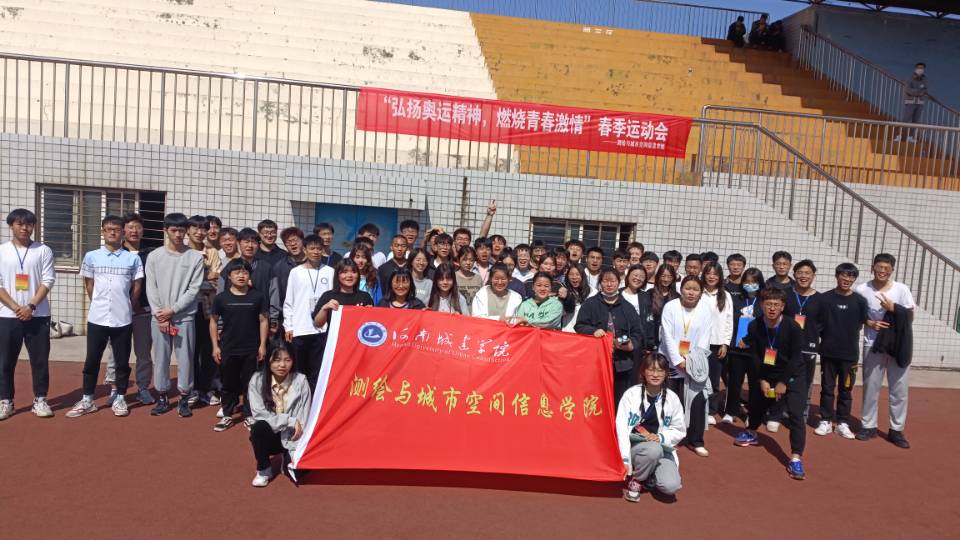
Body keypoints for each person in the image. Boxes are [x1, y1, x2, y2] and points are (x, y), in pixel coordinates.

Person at [65, 216, 144, 418]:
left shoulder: (133, 259)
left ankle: (120, 397)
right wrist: (98, 303)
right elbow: (89, 284)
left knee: (122, 361)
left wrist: (127, 305)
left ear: (123, 233)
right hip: (97, 318)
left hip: (122, 319)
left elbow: (136, 286)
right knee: (92, 360)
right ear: (102, 231)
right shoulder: (91, 256)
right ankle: (88, 399)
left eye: (116, 229)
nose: (112, 232)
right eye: (108, 229)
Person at [734, 287, 807, 481]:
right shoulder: (755, 326)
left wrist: (783, 382)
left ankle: (795, 459)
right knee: (757, 402)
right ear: (762, 305)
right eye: (768, 304)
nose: (772, 308)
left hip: (793, 375)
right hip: (768, 371)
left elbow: (795, 358)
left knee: (796, 414)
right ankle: (751, 432)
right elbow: (756, 356)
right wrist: (763, 380)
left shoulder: (793, 327)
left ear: (782, 307)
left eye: (776, 304)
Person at [145, 213, 205, 417]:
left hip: (184, 317)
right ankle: (162, 396)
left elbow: (194, 289)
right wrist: (160, 314)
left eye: (181, 230)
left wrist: (173, 310)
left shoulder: (195, 257)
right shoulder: (154, 256)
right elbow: (151, 287)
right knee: (161, 358)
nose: (178, 234)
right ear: (165, 230)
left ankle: (184, 397)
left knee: (186, 359)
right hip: (159, 318)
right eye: (174, 230)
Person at [0, 209, 56, 420]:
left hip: (38, 315)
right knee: (5, 361)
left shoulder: (43, 250)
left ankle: (40, 399)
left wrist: (30, 306)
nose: (25, 228)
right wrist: (17, 307)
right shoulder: (2, 251)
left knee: (40, 361)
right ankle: (6, 401)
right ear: (11, 226)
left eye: (29, 224)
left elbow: (48, 280)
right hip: (7, 315)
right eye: (20, 224)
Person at [855, 253, 915, 449]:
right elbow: (856, 315)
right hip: (872, 343)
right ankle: (868, 426)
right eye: (879, 267)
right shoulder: (862, 289)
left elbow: (910, 316)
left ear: (892, 270)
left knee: (899, 389)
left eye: (886, 269)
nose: (882, 271)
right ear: (873, 267)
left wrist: (893, 308)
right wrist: (869, 322)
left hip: (898, 344)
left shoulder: (901, 289)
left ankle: (896, 429)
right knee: (871, 386)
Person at [617, 352, 685, 502]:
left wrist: (661, 437)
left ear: (666, 373)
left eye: (660, 370)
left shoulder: (672, 398)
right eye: (651, 370)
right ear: (643, 372)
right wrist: (625, 460)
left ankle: (649, 474)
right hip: (636, 447)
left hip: (661, 448)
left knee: (671, 486)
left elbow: (679, 430)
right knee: (653, 450)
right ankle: (637, 480)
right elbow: (620, 428)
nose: (655, 374)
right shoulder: (631, 395)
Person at [210, 259, 268, 432]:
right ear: (229, 276)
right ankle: (227, 415)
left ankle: (249, 415)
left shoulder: (258, 296)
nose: (241, 276)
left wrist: (262, 345)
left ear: (249, 275)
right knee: (228, 383)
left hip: (251, 348)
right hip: (228, 347)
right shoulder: (221, 298)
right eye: (237, 272)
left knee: (250, 383)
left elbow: (264, 321)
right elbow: (213, 322)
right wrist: (215, 346)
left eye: (245, 272)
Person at [659, 275, 714, 457]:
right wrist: (677, 360)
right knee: (670, 401)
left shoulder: (705, 309)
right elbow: (667, 336)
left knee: (698, 401)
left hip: (694, 363)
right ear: (680, 289)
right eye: (687, 288)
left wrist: (691, 361)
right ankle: (668, 437)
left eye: (695, 289)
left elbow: (705, 338)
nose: (691, 292)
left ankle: (696, 440)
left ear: (701, 293)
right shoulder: (671, 307)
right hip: (670, 361)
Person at [105, 212, 155, 405]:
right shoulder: (115, 253)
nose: (134, 231)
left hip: (144, 313)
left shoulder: (151, 254)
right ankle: (115, 388)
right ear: (123, 230)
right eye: (130, 227)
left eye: (138, 227)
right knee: (116, 353)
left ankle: (143, 388)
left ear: (143, 230)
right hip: (119, 313)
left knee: (143, 353)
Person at [814, 263, 868, 440]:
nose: (847, 279)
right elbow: (818, 325)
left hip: (849, 355)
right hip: (828, 353)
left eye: (851, 276)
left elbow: (862, 323)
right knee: (827, 388)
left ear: (854, 279)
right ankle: (825, 420)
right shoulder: (824, 299)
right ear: (837, 276)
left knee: (846, 390)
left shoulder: (859, 301)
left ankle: (843, 422)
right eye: (844, 275)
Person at [575, 268, 645, 403]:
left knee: (620, 398)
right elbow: (580, 326)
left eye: (613, 281)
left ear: (619, 282)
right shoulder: (590, 304)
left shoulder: (627, 307)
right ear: (600, 283)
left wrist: (631, 344)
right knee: (596, 399)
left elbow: (637, 332)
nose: (609, 284)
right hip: (596, 362)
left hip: (622, 363)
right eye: (605, 281)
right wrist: (593, 331)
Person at [247, 345, 312, 487]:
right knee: (258, 427)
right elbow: (259, 414)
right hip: (271, 434)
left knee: (301, 473)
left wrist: (296, 450)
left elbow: (305, 415)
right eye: (277, 360)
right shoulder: (257, 380)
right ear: (268, 361)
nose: (282, 365)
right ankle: (264, 469)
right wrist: (289, 420)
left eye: (287, 360)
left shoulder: (301, 381)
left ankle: (287, 455)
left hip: (294, 435)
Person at [283, 234, 334, 389]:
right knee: (299, 370)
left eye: (319, 249)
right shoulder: (295, 272)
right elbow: (289, 301)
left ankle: (314, 401)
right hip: (300, 328)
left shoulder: (330, 271)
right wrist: (289, 326)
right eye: (312, 248)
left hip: (322, 329)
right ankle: (299, 400)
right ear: (304, 250)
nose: (316, 252)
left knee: (317, 371)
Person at [187, 215, 222, 407]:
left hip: (208, 309)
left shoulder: (212, 252)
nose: (200, 232)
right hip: (187, 309)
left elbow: (216, 281)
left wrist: (198, 281)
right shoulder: (183, 252)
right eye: (196, 228)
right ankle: (191, 388)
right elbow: (183, 283)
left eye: (203, 229)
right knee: (190, 351)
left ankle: (206, 389)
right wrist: (205, 277)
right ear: (188, 230)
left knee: (208, 350)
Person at [782, 259, 821, 425]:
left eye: (807, 273)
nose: (803, 276)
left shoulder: (820, 299)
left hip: (808, 347)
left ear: (813, 276)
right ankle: (781, 411)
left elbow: (823, 323)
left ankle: (801, 414)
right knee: (783, 378)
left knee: (806, 382)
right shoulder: (786, 295)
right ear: (794, 274)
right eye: (800, 273)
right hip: (786, 346)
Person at [723, 267, 764, 425]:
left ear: (760, 283)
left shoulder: (763, 301)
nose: (750, 285)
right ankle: (731, 411)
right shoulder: (737, 299)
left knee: (755, 383)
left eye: (754, 282)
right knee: (734, 381)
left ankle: (752, 414)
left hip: (755, 350)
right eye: (747, 282)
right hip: (737, 348)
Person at [700, 262, 733, 425]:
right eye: (708, 273)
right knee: (698, 377)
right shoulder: (698, 292)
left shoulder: (725, 295)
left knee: (713, 380)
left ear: (720, 277)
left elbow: (728, 321)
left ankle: (711, 410)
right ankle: (698, 408)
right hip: (699, 344)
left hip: (716, 344)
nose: (711, 277)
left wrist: (725, 343)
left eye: (715, 274)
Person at [313, 259, 375, 332]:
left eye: (354, 272)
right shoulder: (328, 296)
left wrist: (371, 313)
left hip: (357, 338)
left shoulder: (365, 296)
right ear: (337, 275)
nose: (349, 275)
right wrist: (324, 309)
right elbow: (318, 324)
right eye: (345, 272)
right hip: (334, 338)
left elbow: (372, 324)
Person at [269, 227, 306, 338]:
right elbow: (277, 294)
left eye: (295, 240)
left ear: (303, 241)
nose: (293, 244)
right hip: (288, 318)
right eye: (288, 242)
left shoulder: (313, 263)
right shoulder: (279, 266)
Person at [647, 264, 680, 349]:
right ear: (658, 276)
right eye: (663, 276)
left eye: (669, 276)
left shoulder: (677, 297)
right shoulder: (649, 293)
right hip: (651, 334)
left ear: (673, 278)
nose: (666, 279)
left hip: (669, 336)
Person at [895, 62, 929, 143]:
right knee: (905, 119)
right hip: (910, 102)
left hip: (920, 103)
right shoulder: (910, 78)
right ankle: (899, 136)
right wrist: (919, 92)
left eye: (922, 68)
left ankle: (910, 137)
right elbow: (908, 90)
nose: (920, 69)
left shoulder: (925, 79)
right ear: (915, 69)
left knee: (915, 121)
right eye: (919, 68)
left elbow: (925, 90)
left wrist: (918, 92)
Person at [560, 264, 594, 332]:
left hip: (585, 332)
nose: (574, 277)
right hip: (566, 331)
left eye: (577, 274)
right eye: (571, 274)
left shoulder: (592, 292)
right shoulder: (563, 290)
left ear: (583, 276)